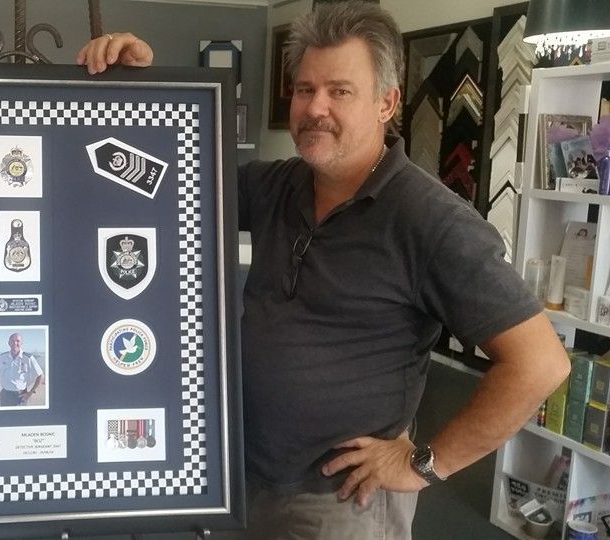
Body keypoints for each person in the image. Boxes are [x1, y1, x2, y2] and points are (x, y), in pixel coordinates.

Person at [78, 2, 569, 538]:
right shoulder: (276, 185)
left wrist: (427, 463)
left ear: (387, 102)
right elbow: (159, 180)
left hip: (338, 503)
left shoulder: (431, 221)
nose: (315, 108)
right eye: (305, 89)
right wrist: (138, 89)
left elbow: (540, 363)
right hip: (243, 476)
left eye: (340, 90)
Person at [0, 332, 44, 407]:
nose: (15, 343)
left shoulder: (28, 358)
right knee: (4, 417)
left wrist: (30, 392)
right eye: (12, 341)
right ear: (8, 343)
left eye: (18, 341)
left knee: (20, 417)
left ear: (22, 343)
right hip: (5, 394)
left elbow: (41, 376)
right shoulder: (3, 357)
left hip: (21, 395)